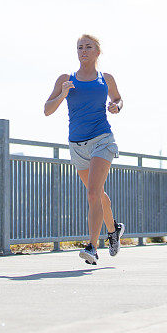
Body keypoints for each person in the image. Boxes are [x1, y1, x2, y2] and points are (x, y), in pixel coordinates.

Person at [44, 33, 125, 265]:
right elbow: (47, 110)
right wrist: (63, 94)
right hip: (77, 145)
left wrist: (115, 106)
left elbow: (119, 99)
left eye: (89, 47)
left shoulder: (105, 78)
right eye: (80, 47)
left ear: (97, 52)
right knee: (97, 193)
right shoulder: (65, 79)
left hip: (102, 139)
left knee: (92, 193)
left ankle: (92, 247)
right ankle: (114, 229)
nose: (84, 51)